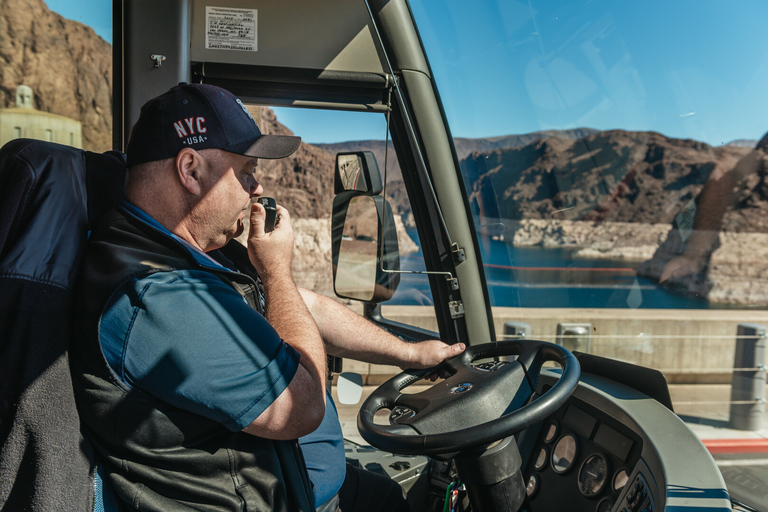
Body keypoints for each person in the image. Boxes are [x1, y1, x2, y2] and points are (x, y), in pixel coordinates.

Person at [70, 82, 464, 511]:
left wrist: (410, 355)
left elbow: (301, 307)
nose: (256, 188)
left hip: (309, 483)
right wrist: (276, 271)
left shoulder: (189, 252)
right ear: (190, 169)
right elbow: (304, 406)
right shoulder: (156, 297)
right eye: (244, 172)